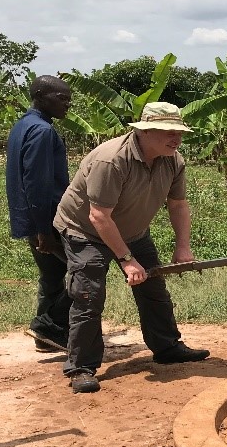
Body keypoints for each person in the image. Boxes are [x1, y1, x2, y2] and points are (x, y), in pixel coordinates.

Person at [53, 101, 209, 394]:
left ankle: (167, 347)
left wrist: (183, 247)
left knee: (153, 289)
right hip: (85, 231)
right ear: (145, 131)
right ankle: (81, 367)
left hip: (133, 231)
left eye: (179, 132)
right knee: (89, 294)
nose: (176, 138)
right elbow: (98, 216)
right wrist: (126, 259)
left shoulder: (173, 160)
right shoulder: (111, 160)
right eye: (168, 131)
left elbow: (178, 205)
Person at [6, 75, 73, 353]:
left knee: (52, 276)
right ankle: (49, 326)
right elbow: (38, 183)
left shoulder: (22, 126)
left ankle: (48, 338)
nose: (67, 104)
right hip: (48, 218)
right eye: (62, 98)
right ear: (41, 96)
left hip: (31, 217)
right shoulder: (42, 131)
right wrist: (44, 230)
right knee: (86, 271)